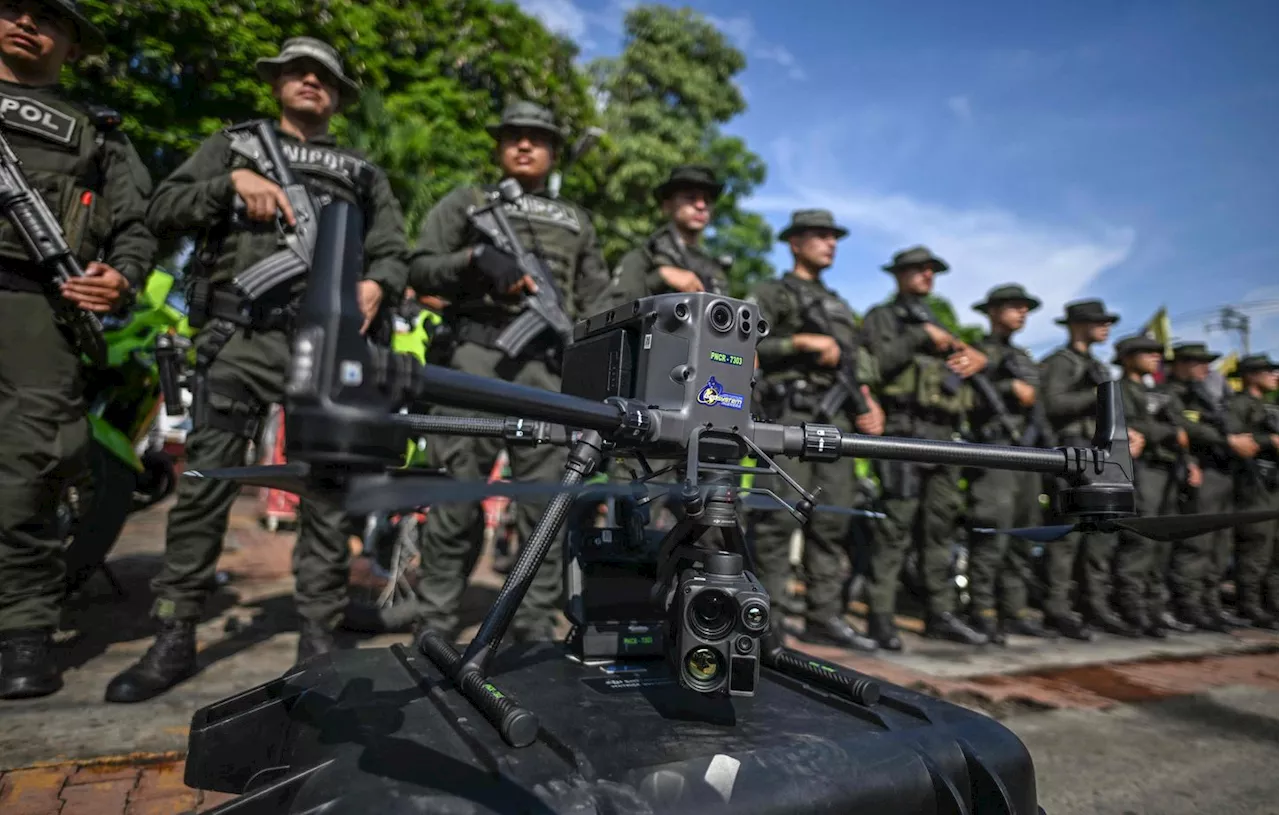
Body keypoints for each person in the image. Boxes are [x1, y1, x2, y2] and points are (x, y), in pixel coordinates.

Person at [104, 37, 408, 704]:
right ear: (276, 83)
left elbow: (392, 245)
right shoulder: (234, 145)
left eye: (324, 76)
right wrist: (228, 185)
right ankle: (174, 628)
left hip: (325, 348)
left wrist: (379, 282)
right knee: (208, 482)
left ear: (336, 94)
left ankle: (319, 637)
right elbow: (160, 208)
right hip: (239, 336)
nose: (310, 82)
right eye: (298, 72)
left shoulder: (360, 170)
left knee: (326, 492)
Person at [407, 100, 610, 643]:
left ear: (553, 153)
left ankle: (533, 628)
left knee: (545, 506)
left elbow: (597, 304)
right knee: (456, 495)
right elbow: (419, 264)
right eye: (514, 136)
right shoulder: (468, 202)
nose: (524, 145)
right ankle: (436, 621)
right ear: (499, 147)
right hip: (474, 361)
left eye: (537, 138)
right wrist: (472, 263)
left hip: (547, 372)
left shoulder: (576, 222)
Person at [0, 0, 156, 699]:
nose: (27, 23)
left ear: (71, 43)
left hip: (37, 302)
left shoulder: (97, 131)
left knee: (32, 463)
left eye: (47, 17)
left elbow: (135, 224)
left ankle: (22, 629)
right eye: (11, 8)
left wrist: (120, 277)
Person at [748, 209, 885, 652]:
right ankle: (766, 620)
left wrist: (869, 403)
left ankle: (824, 617)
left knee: (833, 521)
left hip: (836, 420)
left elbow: (856, 365)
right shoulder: (773, 292)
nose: (830, 243)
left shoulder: (841, 305)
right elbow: (745, 344)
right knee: (775, 520)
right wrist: (800, 344)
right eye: (820, 236)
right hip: (789, 415)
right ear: (795, 242)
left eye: (834, 237)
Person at [861, 246, 989, 649]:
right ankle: (880, 614)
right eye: (919, 269)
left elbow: (964, 365)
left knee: (940, 529)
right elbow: (877, 364)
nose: (927, 275)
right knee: (895, 526)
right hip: (903, 429)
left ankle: (940, 612)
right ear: (898, 274)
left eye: (931, 270)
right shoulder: (884, 317)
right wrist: (920, 336)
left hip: (943, 435)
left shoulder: (941, 319)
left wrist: (973, 358)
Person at [964, 285, 1052, 643]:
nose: (1022, 313)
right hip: (994, 450)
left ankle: (1013, 608)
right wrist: (1004, 385)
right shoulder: (978, 352)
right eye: (1014, 307)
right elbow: (964, 398)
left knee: (1023, 532)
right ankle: (982, 609)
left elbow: (1039, 400)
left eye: (1025, 308)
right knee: (993, 532)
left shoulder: (1026, 358)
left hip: (1026, 454)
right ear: (993, 311)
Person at [1039, 299, 1123, 639]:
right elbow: (1053, 405)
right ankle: (1058, 606)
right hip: (1072, 450)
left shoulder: (1094, 363)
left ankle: (1094, 603)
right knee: (1068, 534)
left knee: (1098, 532)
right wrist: (1095, 394)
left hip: (1097, 451)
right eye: (1097, 321)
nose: (1106, 327)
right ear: (1077, 325)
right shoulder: (1061, 363)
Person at [1161, 342, 1255, 631]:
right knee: (1197, 544)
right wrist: (1226, 441)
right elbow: (1183, 427)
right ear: (1178, 364)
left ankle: (1209, 603)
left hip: (1223, 472)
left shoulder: (1206, 394)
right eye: (1196, 361)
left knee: (1219, 544)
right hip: (1200, 472)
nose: (1205, 368)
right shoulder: (1170, 394)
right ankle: (1188, 604)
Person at [1111, 334, 1197, 638]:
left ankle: (1155, 607)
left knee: (1162, 542)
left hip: (1166, 469)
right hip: (1141, 469)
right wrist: (1168, 431)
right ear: (1127, 357)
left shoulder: (1161, 392)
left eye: (1157, 353)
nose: (1156, 357)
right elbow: (1129, 425)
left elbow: (1181, 428)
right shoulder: (1117, 390)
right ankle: (1133, 608)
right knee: (1141, 540)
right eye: (1147, 352)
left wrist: (1187, 460)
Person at [602, 165, 729, 305]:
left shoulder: (714, 270)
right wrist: (660, 278)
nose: (701, 205)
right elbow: (612, 310)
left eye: (707, 200)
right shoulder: (643, 258)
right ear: (667, 206)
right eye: (690, 197)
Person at [1225, 354, 1279, 629]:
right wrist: (1267, 440)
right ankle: (1250, 605)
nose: (1275, 375)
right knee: (1256, 547)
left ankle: (1273, 604)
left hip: (1274, 484)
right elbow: (1235, 441)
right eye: (1268, 370)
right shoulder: (1237, 404)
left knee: (1275, 550)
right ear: (1250, 375)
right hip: (1253, 482)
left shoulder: (1270, 406)